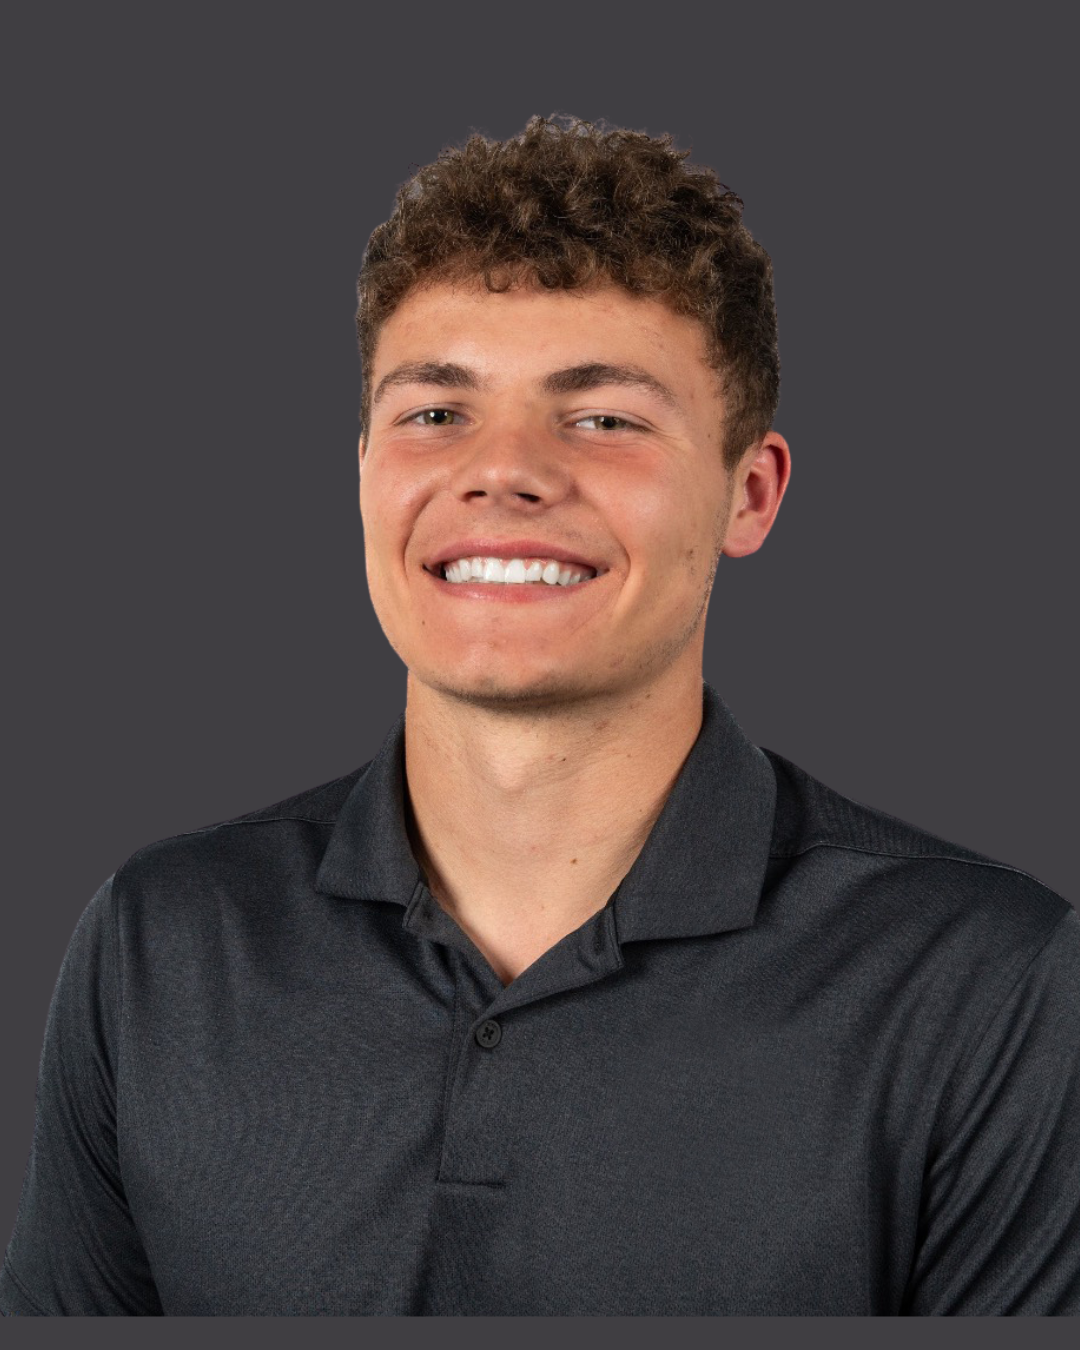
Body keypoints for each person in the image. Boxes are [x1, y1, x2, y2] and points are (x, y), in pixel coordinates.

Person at [2, 114, 1077, 1318]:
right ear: (363, 471)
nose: (503, 469)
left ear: (750, 493)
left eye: (603, 418)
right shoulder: (162, 942)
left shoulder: (988, 984)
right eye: (435, 413)